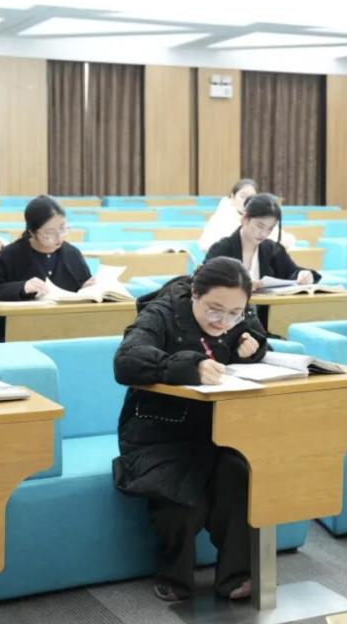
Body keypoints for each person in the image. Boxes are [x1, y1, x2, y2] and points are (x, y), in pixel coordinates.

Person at [112, 256, 265, 602]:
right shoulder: (161, 312)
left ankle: (236, 575)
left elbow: (255, 337)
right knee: (179, 496)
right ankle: (173, 576)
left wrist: (253, 346)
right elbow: (126, 360)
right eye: (214, 310)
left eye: (234, 313)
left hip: (220, 431)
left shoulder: (238, 313)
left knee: (239, 477)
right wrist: (187, 365)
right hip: (158, 433)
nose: (223, 321)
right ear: (195, 293)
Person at [0, 194, 93, 342]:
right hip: (17, 336)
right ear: (32, 232)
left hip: (65, 333)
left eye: (63, 228)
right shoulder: (11, 255)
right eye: (49, 232)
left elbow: (82, 290)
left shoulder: (72, 254)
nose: (59, 237)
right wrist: (21, 288)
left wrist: (88, 288)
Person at [204, 193, 319, 289]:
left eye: (270, 229)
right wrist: (240, 285)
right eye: (260, 226)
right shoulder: (222, 248)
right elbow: (203, 281)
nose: (264, 234)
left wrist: (303, 275)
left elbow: (292, 272)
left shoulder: (273, 249)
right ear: (245, 218)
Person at [198, 179, 296, 251]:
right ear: (232, 197)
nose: (247, 200)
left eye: (252, 197)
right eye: (243, 196)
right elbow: (206, 245)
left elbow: (283, 240)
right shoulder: (220, 218)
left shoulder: (263, 216)